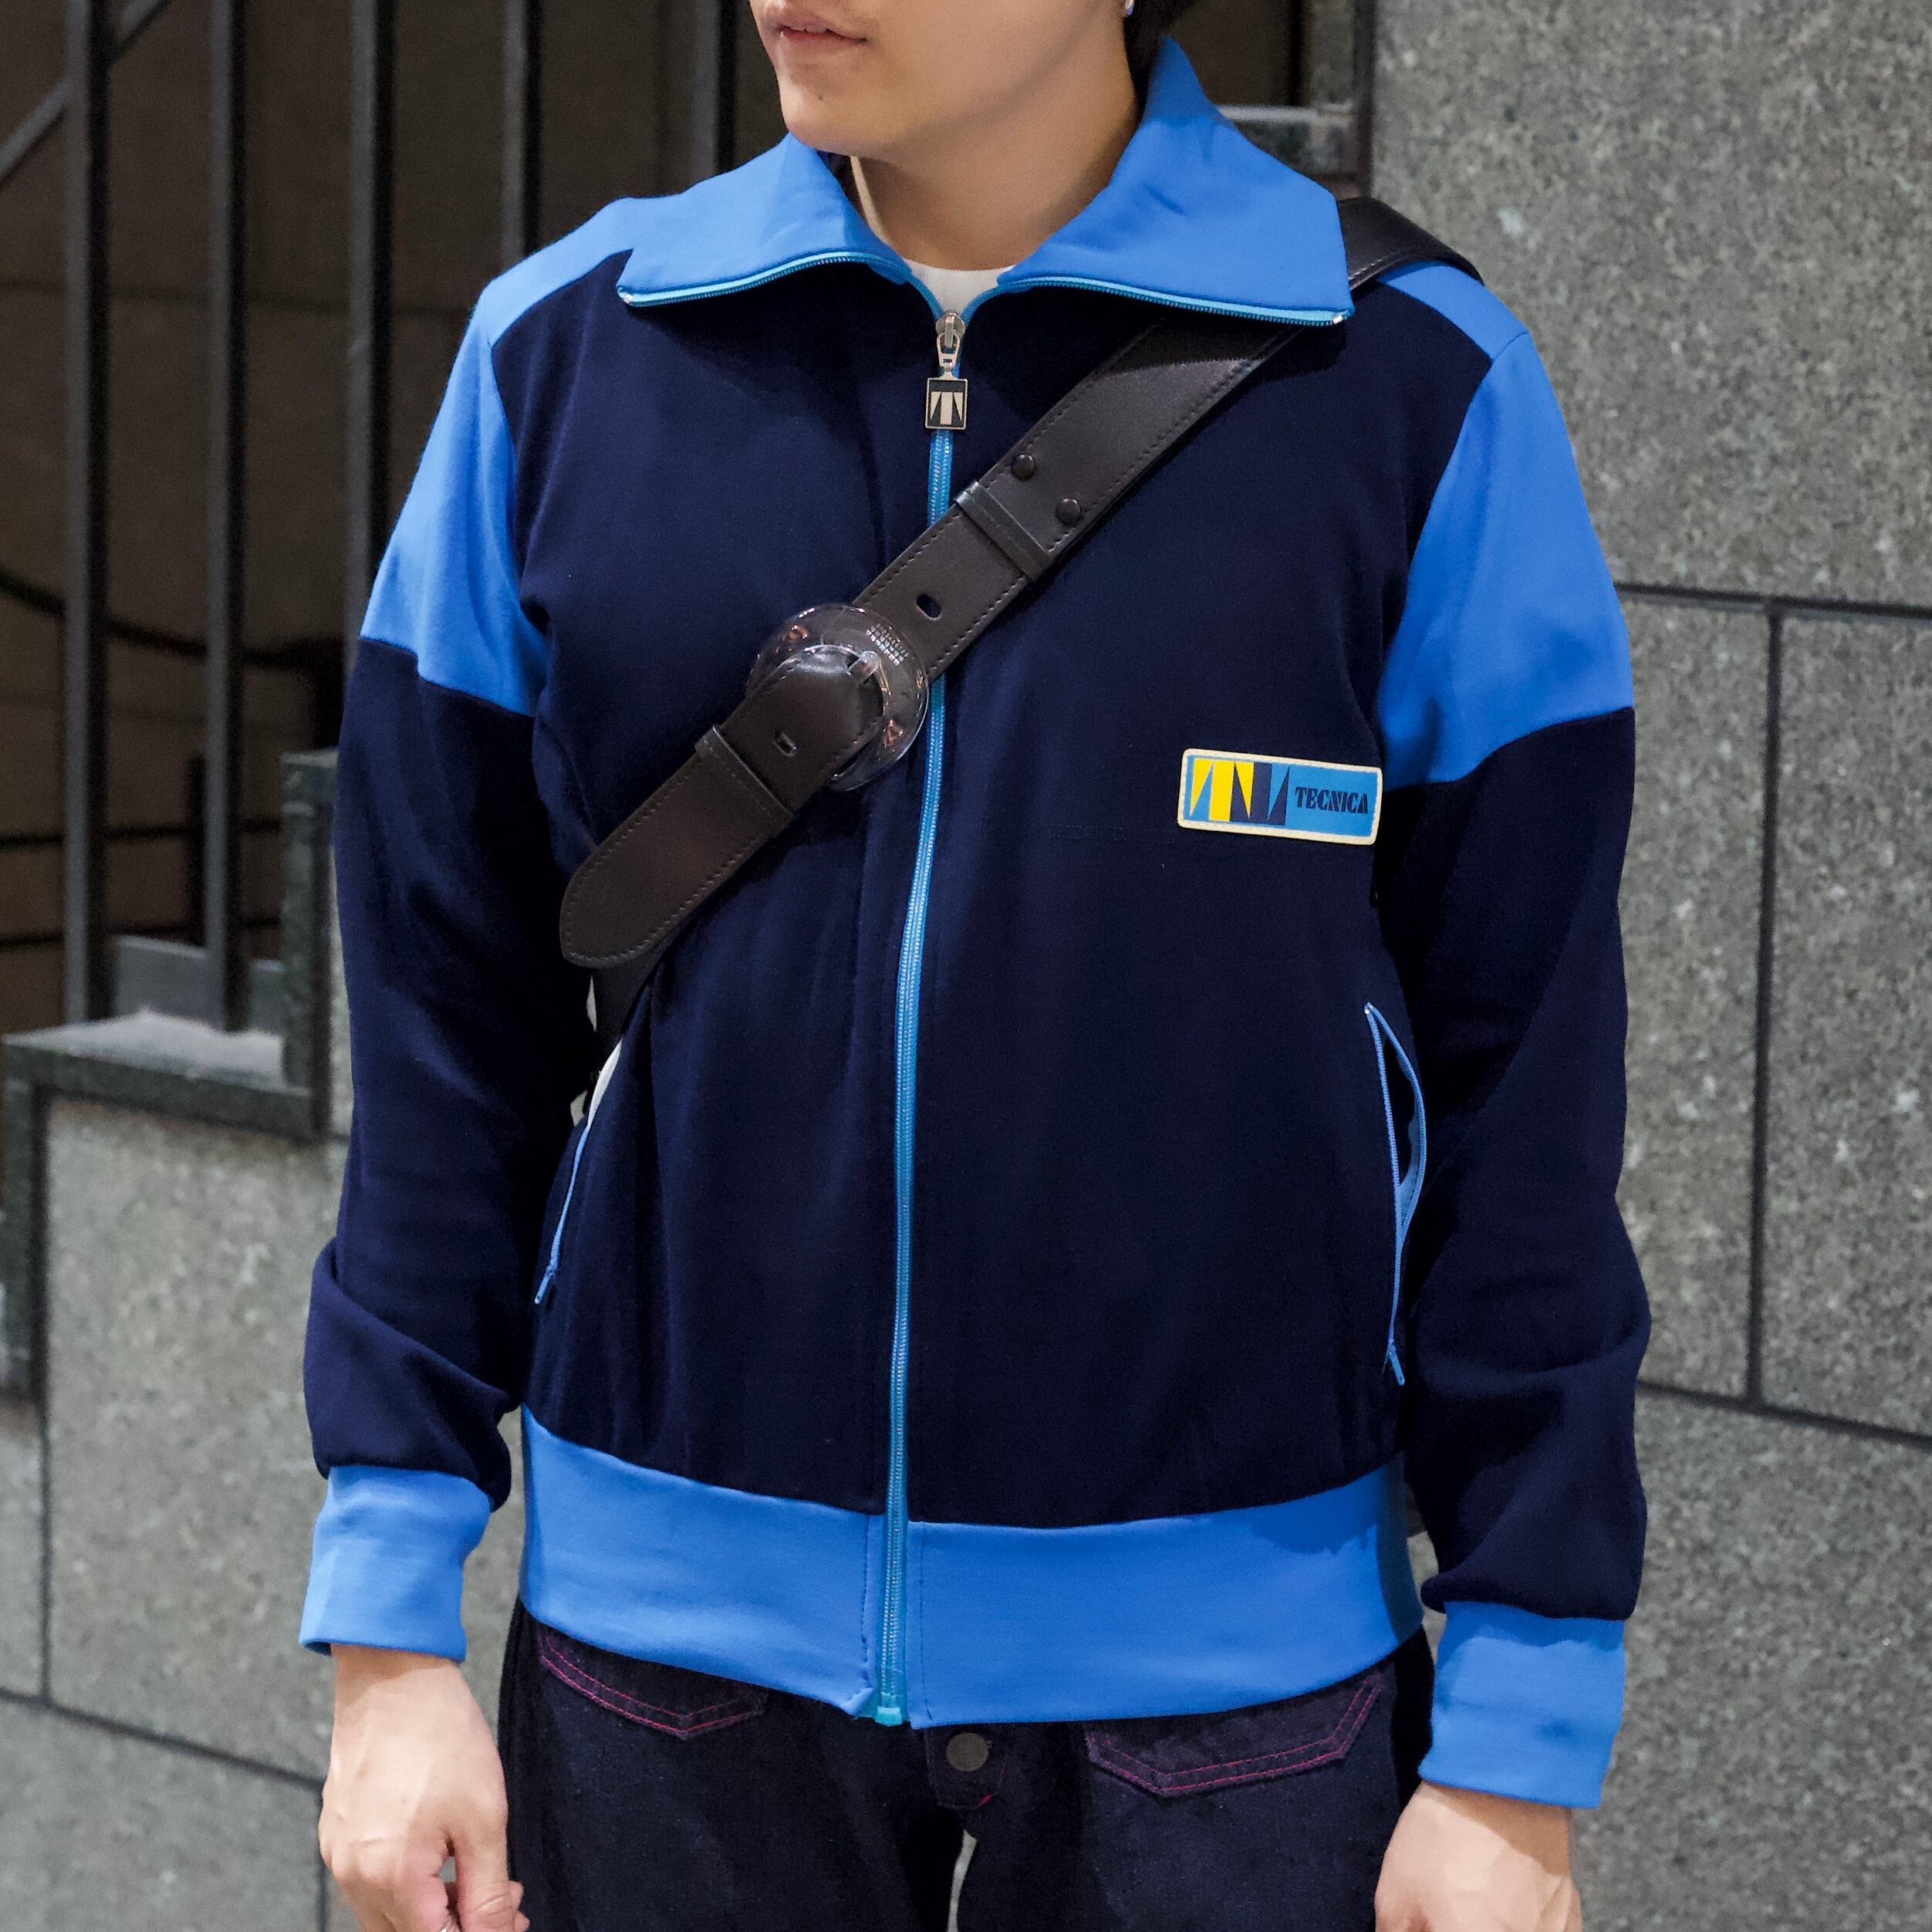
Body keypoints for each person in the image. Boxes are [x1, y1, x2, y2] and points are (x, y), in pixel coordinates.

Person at [301, 2, 1648, 1928]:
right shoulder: (566, 353)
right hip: (665, 1671)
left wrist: (1517, 1735)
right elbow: (443, 1039)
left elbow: (1530, 1097)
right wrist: (388, 1632)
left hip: (1235, 1704)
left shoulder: (1414, 384)